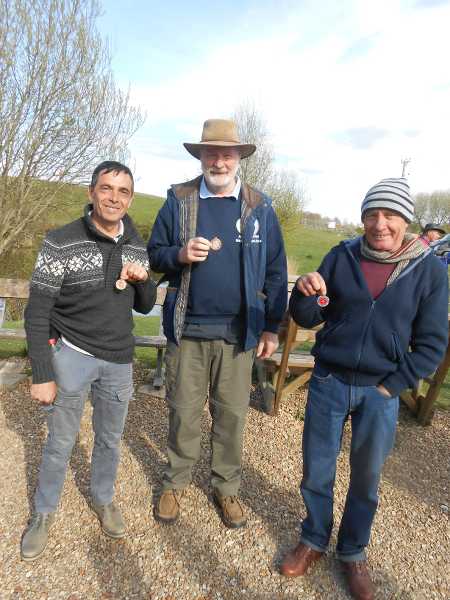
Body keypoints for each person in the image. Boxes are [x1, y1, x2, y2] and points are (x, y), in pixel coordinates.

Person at [280, 178, 448, 600]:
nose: (380, 224)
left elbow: (431, 344)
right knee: (317, 469)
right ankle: (314, 539)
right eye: (372, 214)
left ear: (405, 220)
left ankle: (353, 552)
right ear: (363, 218)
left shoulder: (427, 270)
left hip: (380, 392)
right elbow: (309, 315)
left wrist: (391, 388)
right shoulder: (342, 257)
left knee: (367, 479)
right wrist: (306, 294)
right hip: (329, 381)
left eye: (390, 215)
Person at [148, 118, 287, 528]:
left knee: (231, 417)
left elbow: (276, 272)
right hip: (187, 330)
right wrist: (178, 254)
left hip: (238, 334)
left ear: (239, 158)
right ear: (201, 156)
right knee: (184, 413)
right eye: (212, 153)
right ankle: (175, 484)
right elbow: (153, 253)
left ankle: (226, 489)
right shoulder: (179, 199)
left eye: (227, 153)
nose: (219, 161)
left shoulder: (259, 206)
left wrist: (270, 327)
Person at [21, 161, 156, 561]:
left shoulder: (135, 244)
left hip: (118, 361)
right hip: (72, 357)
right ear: (91, 192)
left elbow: (146, 306)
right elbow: (37, 311)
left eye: (123, 191)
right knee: (60, 442)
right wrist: (42, 372)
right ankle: (44, 514)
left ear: (130, 198)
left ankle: (102, 499)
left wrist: (142, 280)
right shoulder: (60, 241)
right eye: (106, 188)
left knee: (110, 440)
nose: (114, 197)